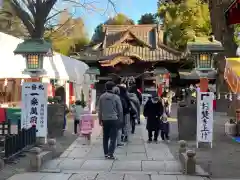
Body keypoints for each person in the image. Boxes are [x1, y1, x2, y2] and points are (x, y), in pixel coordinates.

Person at [98, 81, 123, 159]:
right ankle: (110, 153)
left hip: (105, 119)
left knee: (105, 137)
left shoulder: (101, 97)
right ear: (113, 88)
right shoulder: (116, 97)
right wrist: (120, 119)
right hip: (114, 119)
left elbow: (100, 110)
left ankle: (106, 153)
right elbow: (120, 110)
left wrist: (100, 120)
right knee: (113, 137)